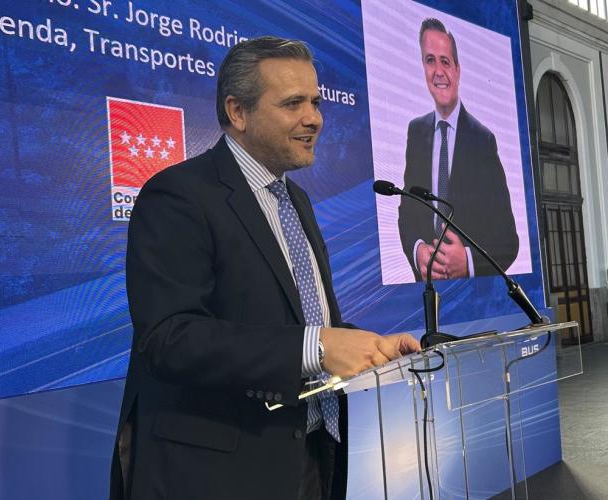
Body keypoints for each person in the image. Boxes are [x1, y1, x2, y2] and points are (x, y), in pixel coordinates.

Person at [109, 36, 421, 500]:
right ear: (238, 112)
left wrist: (367, 345)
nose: (314, 118)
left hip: (311, 452)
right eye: (293, 103)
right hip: (221, 474)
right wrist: (318, 347)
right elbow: (169, 338)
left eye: (316, 102)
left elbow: (300, 320)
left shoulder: (297, 200)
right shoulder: (178, 195)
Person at [398, 18, 519, 282]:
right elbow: (407, 213)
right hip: (424, 293)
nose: (438, 71)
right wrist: (417, 251)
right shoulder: (416, 132)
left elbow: (509, 241)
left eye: (445, 61)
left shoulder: (483, 141)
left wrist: (468, 261)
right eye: (430, 60)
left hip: (471, 294)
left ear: (458, 70)